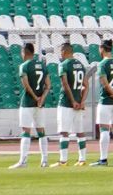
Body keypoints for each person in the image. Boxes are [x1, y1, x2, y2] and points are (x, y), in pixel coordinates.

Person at [12, 41, 50, 169]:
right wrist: (41, 98)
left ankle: (23, 161)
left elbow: (26, 85)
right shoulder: (43, 65)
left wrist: (35, 97)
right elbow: (48, 85)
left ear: (24, 52)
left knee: (26, 131)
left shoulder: (24, 66)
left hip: (28, 103)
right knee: (41, 132)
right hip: (40, 104)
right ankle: (44, 161)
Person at [56, 42, 89, 165]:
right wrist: (82, 101)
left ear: (64, 52)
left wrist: (73, 101)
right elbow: (86, 85)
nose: (60, 54)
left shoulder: (63, 65)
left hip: (66, 103)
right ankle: (82, 159)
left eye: (61, 52)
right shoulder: (80, 65)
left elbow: (65, 84)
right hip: (78, 104)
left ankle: (63, 161)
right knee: (79, 132)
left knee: (64, 132)